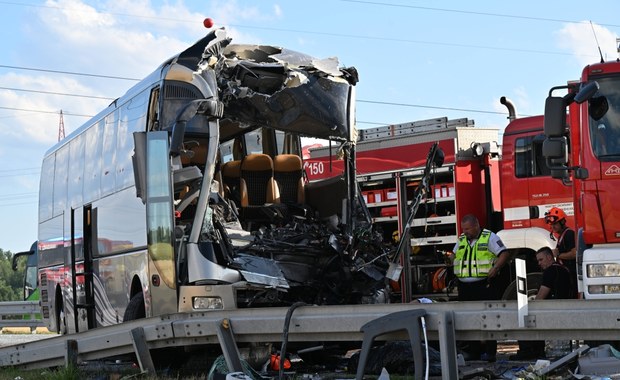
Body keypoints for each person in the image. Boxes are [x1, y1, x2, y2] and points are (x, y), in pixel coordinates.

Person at [453, 214, 510, 362]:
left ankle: (490, 352)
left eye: (468, 229)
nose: (465, 232)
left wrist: (496, 268)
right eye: (463, 229)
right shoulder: (462, 239)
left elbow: (504, 253)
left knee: (489, 318)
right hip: (465, 287)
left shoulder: (489, 237)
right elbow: (454, 255)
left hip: (484, 285)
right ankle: (473, 352)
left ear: (476, 225)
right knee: (469, 319)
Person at [510, 246, 575, 360]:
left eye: (541, 260)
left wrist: (530, 305)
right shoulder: (564, 269)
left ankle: (530, 351)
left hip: (552, 310)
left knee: (525, 316)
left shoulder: (550, 271)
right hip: (566, 309)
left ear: (549, 257)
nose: (539, 263)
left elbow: (541, 296)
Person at [544, 207, 578, 298]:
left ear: (562, 222)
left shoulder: (569, 234)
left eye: (555, 223)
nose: (552, 226)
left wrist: (558, 254)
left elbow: (575, 254)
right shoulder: (562, 235)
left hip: (571, 276)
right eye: (551, 224)